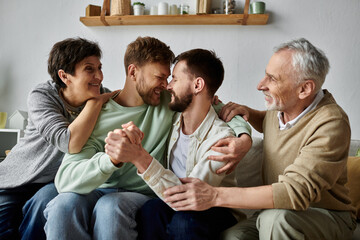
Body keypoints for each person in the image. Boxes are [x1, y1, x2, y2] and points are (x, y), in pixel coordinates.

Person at [44, 36, 252, 240]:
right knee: (62, 206)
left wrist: (244, 137)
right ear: (133, 71)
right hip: (98, 188)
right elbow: (65, 180)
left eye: (169, 78)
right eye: (159, 77)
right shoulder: (95, 114)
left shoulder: (169, 102)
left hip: (143, 193)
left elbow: (213, 107)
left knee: (111, 207)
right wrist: (111, 160)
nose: (166, 84)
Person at [162, 38, 357, 240]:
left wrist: (214, 195)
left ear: (304, 89)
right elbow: (269, 123)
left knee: (277, 220)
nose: (260, 85)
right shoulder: (282, 108)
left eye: (273, 79)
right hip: (272, 211)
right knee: (232, 237)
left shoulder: (331, 123)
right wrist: (246, 118)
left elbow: (294, 192)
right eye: (266, 74)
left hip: (325, 215)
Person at [105, 48, 251, 240]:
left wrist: (140, 157)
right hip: (176, 201)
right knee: (151, 210)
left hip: (214, 207)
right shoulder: (172, 118)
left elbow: (190, 196)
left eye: (174, 78)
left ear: (198, 85)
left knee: (185, 222)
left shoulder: (222, 139)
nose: (168, 86)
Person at [0, 38, 115, 240]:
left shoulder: (102, 97)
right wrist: (94, 104)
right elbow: (68, 142)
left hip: (56, 182)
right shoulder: (43, 95)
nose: (99, 76)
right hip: (15, 182)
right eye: (89, 69)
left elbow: (130, 101)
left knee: (48, 200)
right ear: (64, 76)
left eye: (99, 67)